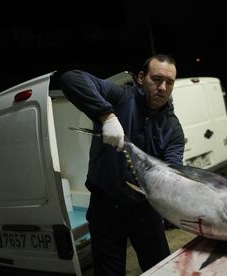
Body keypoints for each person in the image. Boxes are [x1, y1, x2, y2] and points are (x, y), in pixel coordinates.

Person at [59, 54, 185, 275]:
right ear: (140, 78)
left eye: (169, 82)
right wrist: (106, 116)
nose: (163, 87)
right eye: (156, 79)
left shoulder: (172, 128)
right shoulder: (120, 98)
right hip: (105, 208)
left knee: (160, 270)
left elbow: (173, 171)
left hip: (145, 211)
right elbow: (71, 78)